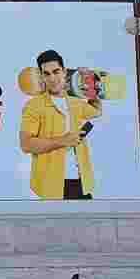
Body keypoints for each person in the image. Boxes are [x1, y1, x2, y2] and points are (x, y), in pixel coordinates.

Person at [19, 49, 103, 200]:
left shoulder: (75, 101)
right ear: (42, 76)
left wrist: (89, 80)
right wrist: (63, 141)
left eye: (56, 71)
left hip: (81, 181)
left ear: (64, 72)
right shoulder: (33, 106)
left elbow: (96, 111)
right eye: (46, 74)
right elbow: (26, 144)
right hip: (51, 184)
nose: (52, 78)